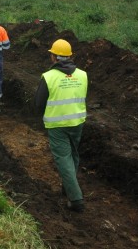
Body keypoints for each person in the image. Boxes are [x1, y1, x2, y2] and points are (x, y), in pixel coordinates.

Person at [34, 39, 88, 213]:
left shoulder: (49, 77)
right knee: (73, 155)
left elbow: (39, 103)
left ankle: (76, 199)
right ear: (70, 56)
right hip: (77, 123)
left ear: (54, 57)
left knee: (63, 158)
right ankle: (68, 186)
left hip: (57, 125)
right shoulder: (82, 75)